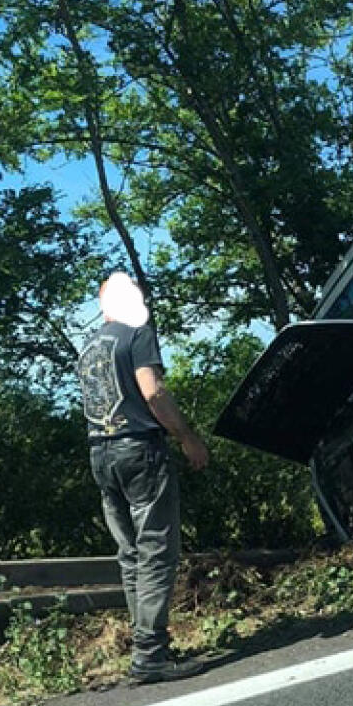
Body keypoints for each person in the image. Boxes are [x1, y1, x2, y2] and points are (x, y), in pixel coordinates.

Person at [77, 272, 210, 684]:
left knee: (130, 554)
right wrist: (187, 437)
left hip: (101, 451)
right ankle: (150, 654)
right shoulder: (136, 334)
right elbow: (151, 392)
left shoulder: (89, 346)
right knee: (156, 550)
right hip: (139, 450)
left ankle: (148, 646)